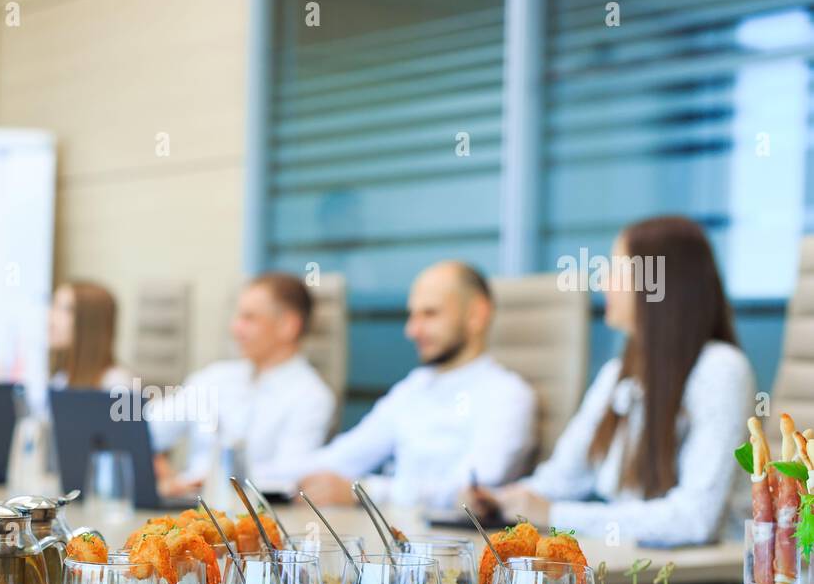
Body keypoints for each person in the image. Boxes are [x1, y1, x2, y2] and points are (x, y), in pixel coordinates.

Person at [469, 216, 754, 545]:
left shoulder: (720, 370)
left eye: (617, 269)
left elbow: (694, 519)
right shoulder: (619, 372)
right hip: (631, 562)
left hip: (696, 581)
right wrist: (501, 498)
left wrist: (554, 515)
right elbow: (565, 475)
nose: (603, 281)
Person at [297, 261, 536, 508]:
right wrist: (271, 480)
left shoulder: (507, 395)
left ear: (476, 315)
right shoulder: (413, 387)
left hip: (457, 543)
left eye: (430, 314)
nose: (412, 330)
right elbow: (345, 454)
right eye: (412, 315)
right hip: (394, 535)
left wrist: (366, 492)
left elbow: (469, 491)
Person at [146, 272, 335, 495]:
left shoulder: (311, 396)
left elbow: (289, 475)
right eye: (238, 317)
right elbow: (145, 429)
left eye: (249, 318)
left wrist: (206, 480)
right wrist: (151, 458)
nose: (235, 328)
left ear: (288, 326)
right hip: (187, 509)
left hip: (251, 518)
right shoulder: (215, 377)